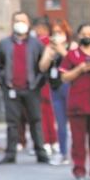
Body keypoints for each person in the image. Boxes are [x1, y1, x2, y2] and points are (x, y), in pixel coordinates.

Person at [0, 11, 50, 164]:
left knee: (36, 120)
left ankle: (41, 152)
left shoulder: (36, 44)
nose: (20, 24)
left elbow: (43, 66)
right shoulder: (4, 44)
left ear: (28, 24)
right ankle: (10, 153)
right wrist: (4, 83)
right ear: (12, 23)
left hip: (31, 88)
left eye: (23, 21)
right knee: (12, 123)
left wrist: (38, 83)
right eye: (17, 20)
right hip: (12, 89)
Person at [59, 23, 90, 180]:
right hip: (78, 102)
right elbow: (64, 77)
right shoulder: (72, 55)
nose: (87, 36)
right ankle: (79, 169)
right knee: (78, 139)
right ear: (79, 36)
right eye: (84, 33)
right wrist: (79, 69)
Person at [39, 20, 72, 164]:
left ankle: (77, 153)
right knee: (60, 122)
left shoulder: (72, 46)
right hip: (55, 87)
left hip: (69, 86)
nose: (57, 36)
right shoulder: (49, 48)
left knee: (76, 123)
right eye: (55, 33)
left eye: (60, 32)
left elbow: (73, 61)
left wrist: (61, 50)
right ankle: (62, 152)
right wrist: (49, 54)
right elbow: (42, 67)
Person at [33, 16, 59, 160]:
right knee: (49, 112)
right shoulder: (49, 42)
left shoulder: (40, 43)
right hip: (49, 81)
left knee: (44, 113)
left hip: (42, 81)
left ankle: (47, 141)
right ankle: (52, 140)